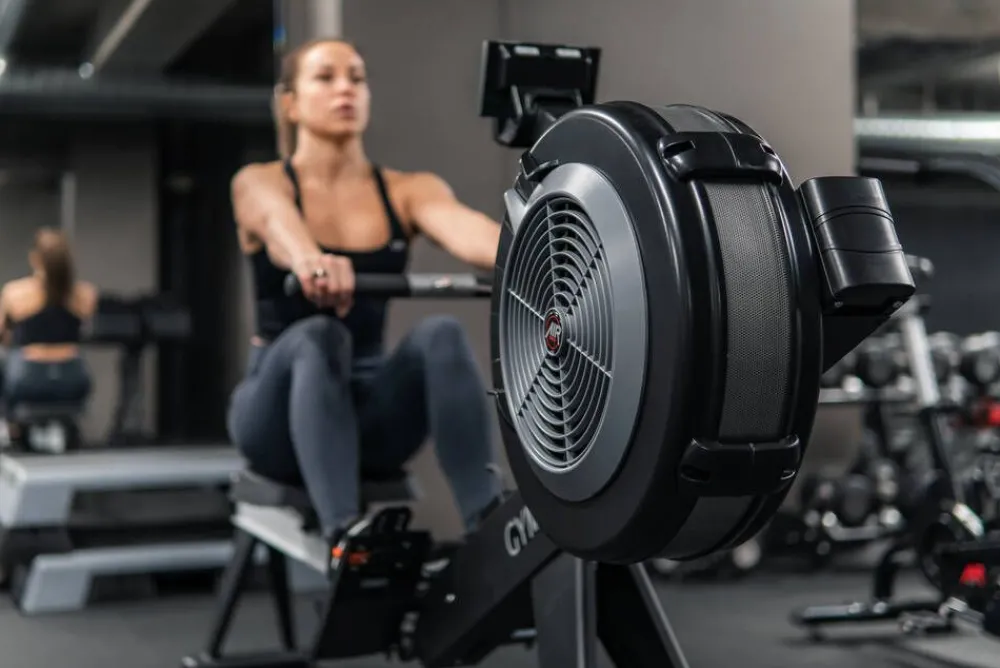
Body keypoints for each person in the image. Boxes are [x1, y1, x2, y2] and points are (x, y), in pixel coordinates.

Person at [228, 38, 505, 544]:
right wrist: (309, 260)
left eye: (356, 78)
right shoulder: (260, 181)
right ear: (291, 103)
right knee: (319, 335)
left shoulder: (406, 190)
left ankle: (488, 528)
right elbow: (275, 221)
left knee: (441, 334)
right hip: (274, 423)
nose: (346, 89)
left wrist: (547, 250)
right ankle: (344, 536)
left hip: (372, 422)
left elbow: (472, 234)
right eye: (326, 77)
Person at [0, 228, 97, 426]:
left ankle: (7, 427)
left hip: (28, 377)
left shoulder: (15, 293)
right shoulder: (85, 294)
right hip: (73, 377)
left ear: (35, 258)